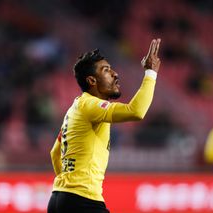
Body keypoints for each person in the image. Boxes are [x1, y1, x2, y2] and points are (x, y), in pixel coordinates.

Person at [47, 38, 161, 213]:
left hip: (60, 198)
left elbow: (56, 152)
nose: (115, 74)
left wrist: (66, 185)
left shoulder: (76, 108)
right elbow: (136, 111)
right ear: (92, 81)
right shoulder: (90, 105)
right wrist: (150, 73)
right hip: (82, 200)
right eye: (106, 70)